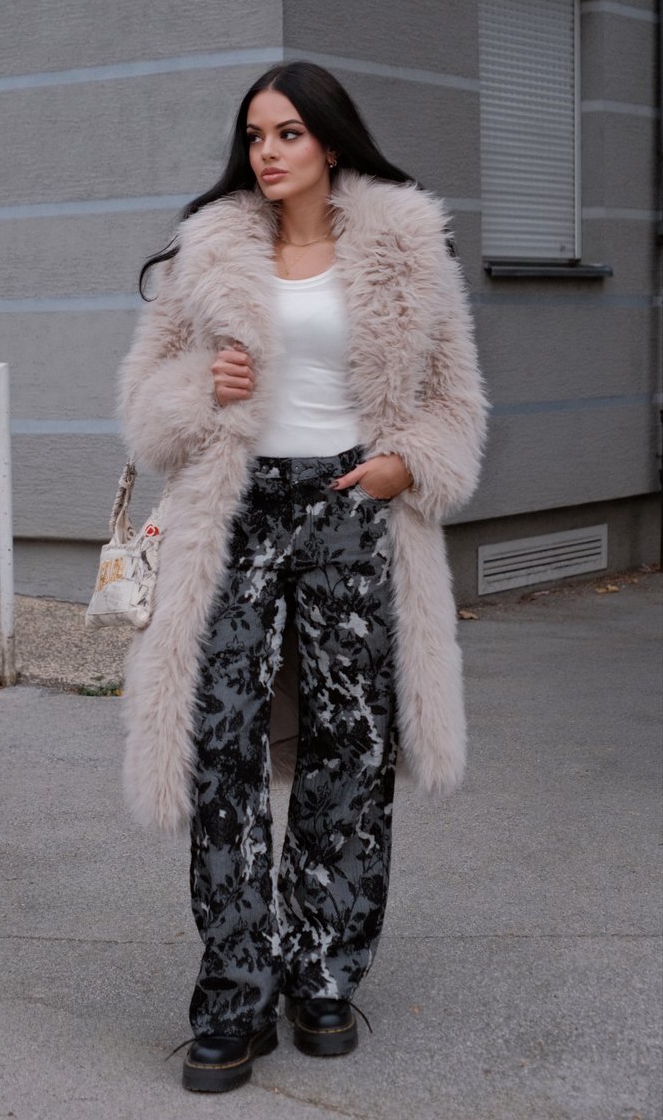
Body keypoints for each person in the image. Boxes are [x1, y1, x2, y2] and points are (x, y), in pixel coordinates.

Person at [118, 61, 487, 1093]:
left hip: (350, 504)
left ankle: (320, 972)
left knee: (350, 742)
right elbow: (146, 410)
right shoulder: (209, 252)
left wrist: (405, 463)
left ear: (328, 140)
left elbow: (456, 400)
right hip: (234, 512)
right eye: (253, 136)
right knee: (217, 742)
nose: (266, 153)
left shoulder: (409, 247)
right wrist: (204, 382)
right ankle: (232, 996)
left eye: (285, 134)